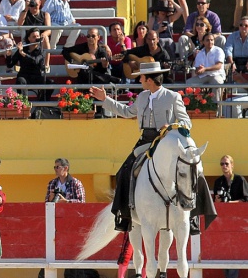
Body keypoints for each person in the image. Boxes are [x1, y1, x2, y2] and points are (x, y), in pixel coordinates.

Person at [88, 62, 209, 236]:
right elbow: (128, 112)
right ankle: (125, 214)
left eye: (142, 77)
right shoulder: (143, 96)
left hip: (166, 142)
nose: (139, 80)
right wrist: (105, 100)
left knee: (192, 170)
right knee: (123, 171)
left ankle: (192, 216)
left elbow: (187, 123)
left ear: (150, 80)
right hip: (145, 142)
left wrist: (173, 125)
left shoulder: (173, 97)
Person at [213, 155, 248, 278]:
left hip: (238, 220)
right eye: (222, 164)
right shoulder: (218, 182)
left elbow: (246, 200)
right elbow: (216, 202)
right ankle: (228, 277)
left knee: (234, 247)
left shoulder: (240, 180)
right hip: (223, 220)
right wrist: (218, 201)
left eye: (226, 164)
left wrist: (230, 203)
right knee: (225, 247)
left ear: (232, 165)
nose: (224, 166)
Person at [5, 27, 53, 101]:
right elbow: (10, 64)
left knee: (51, 83)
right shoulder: (22, 49)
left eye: (38, 36)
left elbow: (36, 61)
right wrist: (8, 55)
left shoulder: (41, 50)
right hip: (24, 76)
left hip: (36, 76)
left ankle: (41, 105)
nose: (36, 38)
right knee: (20, 81)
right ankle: (23, 105)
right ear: (29, 39)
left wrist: (23, 54)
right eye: (34, 37)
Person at [186, 32, 225, 115]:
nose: (210, 42)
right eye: (207, 40)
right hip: (203, 76)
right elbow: (197, 70)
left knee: (217, 83)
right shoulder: (200, 53)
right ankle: (192, 108)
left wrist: (205, 69)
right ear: (203, 42)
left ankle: (216, 110)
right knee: (189, 83)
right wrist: (198, 70)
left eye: (212, 40)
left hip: (216, 74)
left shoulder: (218, 50)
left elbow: (218, 66)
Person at [18, 0, 51, 68]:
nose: (34, 7)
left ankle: (46, 65)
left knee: (45, 38)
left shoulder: (45, 15)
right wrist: (26, 9)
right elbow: (19, 24)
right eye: (32, 5)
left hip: (40, 38)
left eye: (35, 4)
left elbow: (49, 30)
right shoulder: (25, 13)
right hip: (29, 38)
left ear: (40, 3)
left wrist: (43, 34)